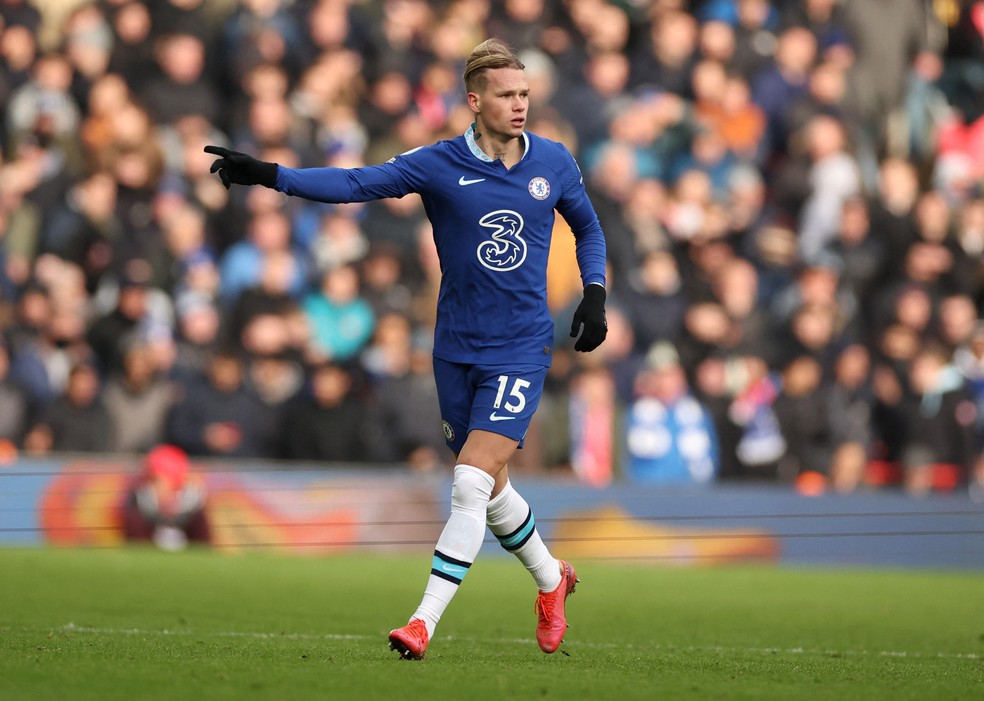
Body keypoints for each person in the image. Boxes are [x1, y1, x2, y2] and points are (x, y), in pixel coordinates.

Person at [204, 38, 608, 660]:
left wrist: (595, 292)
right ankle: (553, 580)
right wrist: (270, 175)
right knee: (488, 483)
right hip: (453, 347)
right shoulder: (439, 162)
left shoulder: (553, 161)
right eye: (507, 95)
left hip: (521, 346)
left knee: (470, 481)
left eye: (525, 93)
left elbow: (587, 226)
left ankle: (421, 623)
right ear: (475, 101)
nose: (520, 104)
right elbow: (357, 183)